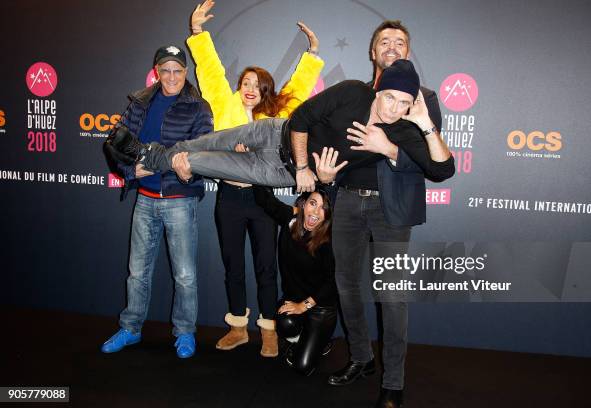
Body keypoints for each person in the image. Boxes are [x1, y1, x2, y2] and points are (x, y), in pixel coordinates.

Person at [325, 21, 453, 408]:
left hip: (391, 206)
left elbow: (433, 165)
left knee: (392, 296)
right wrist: (326, 175)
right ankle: (361, 359)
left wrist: (389, 149)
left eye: (400, 42)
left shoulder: (423, 98)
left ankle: (393, 380)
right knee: (346, 286)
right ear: (372, 52)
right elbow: (331, 146)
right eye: (385, 41)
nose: (392, 46)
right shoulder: (353, 95)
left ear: (408, 52)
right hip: (346, 200)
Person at [186, 0, 324, 358]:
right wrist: (198, 33)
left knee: (266, 266)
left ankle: (268, 331)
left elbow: (298, 91)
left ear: (265, 92)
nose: (250, 88)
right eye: (245, 82)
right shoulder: (223, 104)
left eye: (257, 85)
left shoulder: (275, 117)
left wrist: (312, 54)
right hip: (229, 199)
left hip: (262, 199)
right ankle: (237, 328)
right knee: (233, 264)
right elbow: (211, 72)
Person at [104, 60, 451, 196]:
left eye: (405, 103)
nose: (395, 109)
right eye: (390, 97)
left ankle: (144, 154)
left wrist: (423, 125)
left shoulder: (406, 127)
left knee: (197, 162)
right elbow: (300, 119)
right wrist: (305, 167)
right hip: (270, 132)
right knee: (194, 145)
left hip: (272, 169)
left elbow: (442, 170)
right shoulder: (353, 93)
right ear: (378, 90)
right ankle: (146, 153)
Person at [100, 45, 213, 359]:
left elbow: (203, 150)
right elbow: (116, 142)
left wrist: (187, 169)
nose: (172, 76)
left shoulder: (199, 107)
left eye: (178, 70)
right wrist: (129, 171)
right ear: (157, 72)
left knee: (185, 275)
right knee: (137, 271)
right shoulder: (140, 102)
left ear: (185, 72)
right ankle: (131, 328)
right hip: (145, 200)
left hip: (178, 199)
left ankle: (185, 332)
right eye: (166, 70)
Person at [252, 175, 337, 376]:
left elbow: (333, 283)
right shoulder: (290, 221)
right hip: (293, 299)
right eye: (312, 203)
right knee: (285, 322)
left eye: (323, 208)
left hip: (320, 308)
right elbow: (265, 200)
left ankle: (321, 341)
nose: (315, 212)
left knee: (302, 368)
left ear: (328, 215)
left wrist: (303, 306)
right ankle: (304, 339)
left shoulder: (329, 241)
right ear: (302, 204)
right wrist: (252, 162)